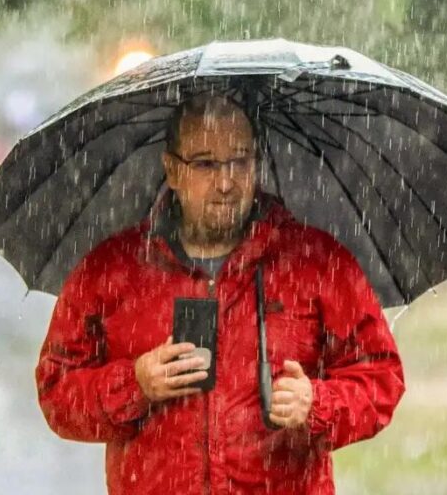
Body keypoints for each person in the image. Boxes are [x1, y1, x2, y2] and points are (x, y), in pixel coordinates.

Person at [35, 93, 406, 494]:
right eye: (206, 163)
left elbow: (381, 376)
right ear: (172, 170)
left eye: (240, 161)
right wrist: (134, 384)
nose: (226, 182)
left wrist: (317, 403)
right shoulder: (111, 269)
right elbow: (58, 390)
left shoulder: (314, 261)